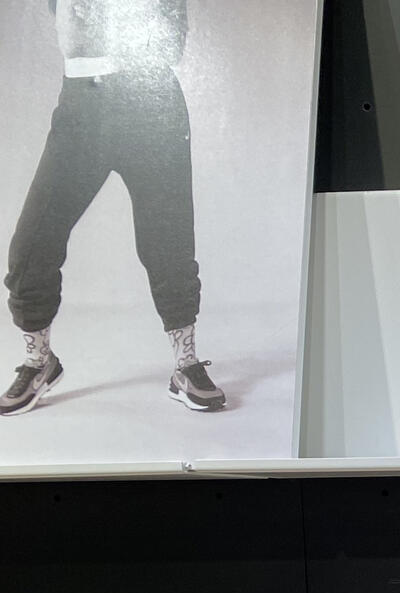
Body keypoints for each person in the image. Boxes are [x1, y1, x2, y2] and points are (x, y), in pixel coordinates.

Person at [2, 0, 225, 418]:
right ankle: (39, 360)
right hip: (82, 106)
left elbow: (170, 37)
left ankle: (186, 364)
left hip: (151, 104)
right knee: (32, 242)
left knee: (168, 243)